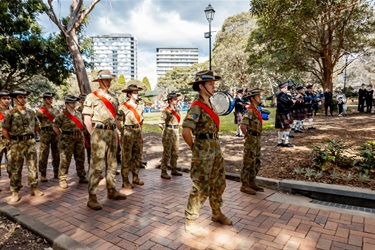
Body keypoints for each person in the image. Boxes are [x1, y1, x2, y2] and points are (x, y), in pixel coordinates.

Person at [182, 70, 232, 238]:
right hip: (203, 148)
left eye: (213, 83)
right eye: (210, 84)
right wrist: (194, 148)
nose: (213, 86)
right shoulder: (196, 107)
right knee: (201, 186)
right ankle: (191, 221)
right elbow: (186, 131)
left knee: (219, 182)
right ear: (201, 86)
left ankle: (216, 213)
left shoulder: (210, 104)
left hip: (215, 147)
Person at [82, 69, 126, 211]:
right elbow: (87, 119)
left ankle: (111, 190)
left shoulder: (114, 97)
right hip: (99, 132)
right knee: (96, 165)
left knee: (113, 163)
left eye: (110, 80)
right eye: (106, 79)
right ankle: (92, 196)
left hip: (112, 132)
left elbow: (117, 118)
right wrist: (92, 135)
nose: (108, 82)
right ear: (99, 81)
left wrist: (120, 132)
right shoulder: (92, 96)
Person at [2, 88, 44, 202]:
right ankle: (15, 191)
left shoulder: (31, 112)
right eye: (20, 97)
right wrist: (12, 141)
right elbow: (5, 129)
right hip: (16, 143)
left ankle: (34, 187)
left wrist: (32, 136)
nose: (23, 99)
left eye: (25, 97)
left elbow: (36, 126)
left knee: (32, 166)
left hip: (30, 142)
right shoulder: (10, 113)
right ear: (15, 99)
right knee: (16, 168)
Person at [53, 95, 88, 189]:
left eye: (75, 102)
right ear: (67, 103)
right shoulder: (61, 115)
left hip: (79, 138)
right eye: (72, 102)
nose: (74, 104)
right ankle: (62, 179)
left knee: (80, 157)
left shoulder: (78, 114)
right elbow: (55, 127)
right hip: (66, 139)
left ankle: (82, 176)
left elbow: (82, 126)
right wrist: (61, 136)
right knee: (65, 159)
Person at [118, 83, 145, 188]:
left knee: (137, 155)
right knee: (126, 157)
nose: (137, 94)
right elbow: (117, 121)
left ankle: (135, 177)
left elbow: (141, 122)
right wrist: (123, 131)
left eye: (137, 92)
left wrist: (141, 133)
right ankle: (125, 180)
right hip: (128, 132)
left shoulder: (140, 107)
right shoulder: (124, 107)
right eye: (134, 92)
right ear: (129, 94)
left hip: (137, 131)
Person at [239, 88, 264, 195]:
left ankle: (252, 181)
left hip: (257, 139)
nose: (260, 98)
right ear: (252, 99)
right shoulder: (250, 111)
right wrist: (247, 135)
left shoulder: (256, 109)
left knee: (256, 160)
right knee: (248, 161)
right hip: (251, 138)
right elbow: (243, 125)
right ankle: (244, 184)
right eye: (258, 96)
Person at [36, 92, 60, 182]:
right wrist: (40, 132)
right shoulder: (39, 111)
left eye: (51, 98)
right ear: (44, 99)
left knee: (56, 153)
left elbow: (58, 122)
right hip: (45, 133)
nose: (50, 100)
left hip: (54, 132)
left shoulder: (56, 110)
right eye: (48, 98)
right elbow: (35, 123)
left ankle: (56, 172)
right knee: (43, 154)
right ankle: (43, 174)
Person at [158, 92, 183, 179]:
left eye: (177, 99)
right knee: (167, 152)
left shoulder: (177, 110)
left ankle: (174, 169)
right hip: (169, 131)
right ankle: (163, 171)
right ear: (170, 100)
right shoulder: (166, 111)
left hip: (176, 130)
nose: (177, 100)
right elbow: (161, 123)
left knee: (175, 152)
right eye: (175, 99)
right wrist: (166, 132)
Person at [275, 82, 297, 147]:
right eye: (286, 87)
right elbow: (288, 102)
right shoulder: (280, 94)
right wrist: (292, 101)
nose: (286, 89)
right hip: (282, 113)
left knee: (282, 128)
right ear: (284, 87)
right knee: (287, 128)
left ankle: (280, 141)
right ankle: (286, 142)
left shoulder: (284, 94)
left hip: (283, 112)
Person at [0, 90, 11, 189]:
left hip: (10, 140)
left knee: (12, 163)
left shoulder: (12, 112)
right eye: (4, 98)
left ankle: (13, 183)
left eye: (8, 98)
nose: (7, 101)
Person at [76, 94, 91, 168]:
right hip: (81, 133)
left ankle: (91, 165)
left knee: (90, 149)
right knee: (80, 151)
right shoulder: (77, 111)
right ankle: (80, 168)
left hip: (89, 131)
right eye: (82, 100)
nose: (83, 101)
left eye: (84, 100)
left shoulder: (90, 109)